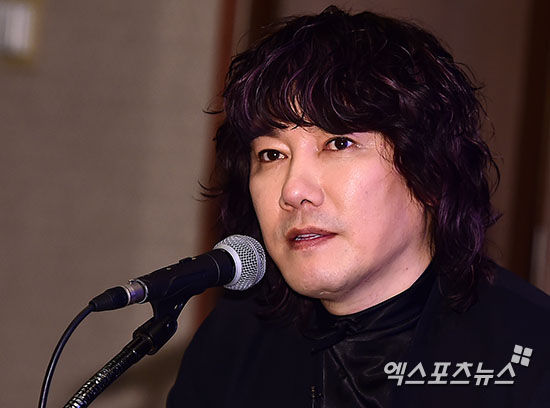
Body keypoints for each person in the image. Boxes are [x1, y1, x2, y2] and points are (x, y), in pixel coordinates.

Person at [166, 6, 550, 407]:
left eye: (338, 143)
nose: (293, 190)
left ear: (430, 171)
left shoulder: (531, 357)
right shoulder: (232, 342)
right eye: (272, 155)